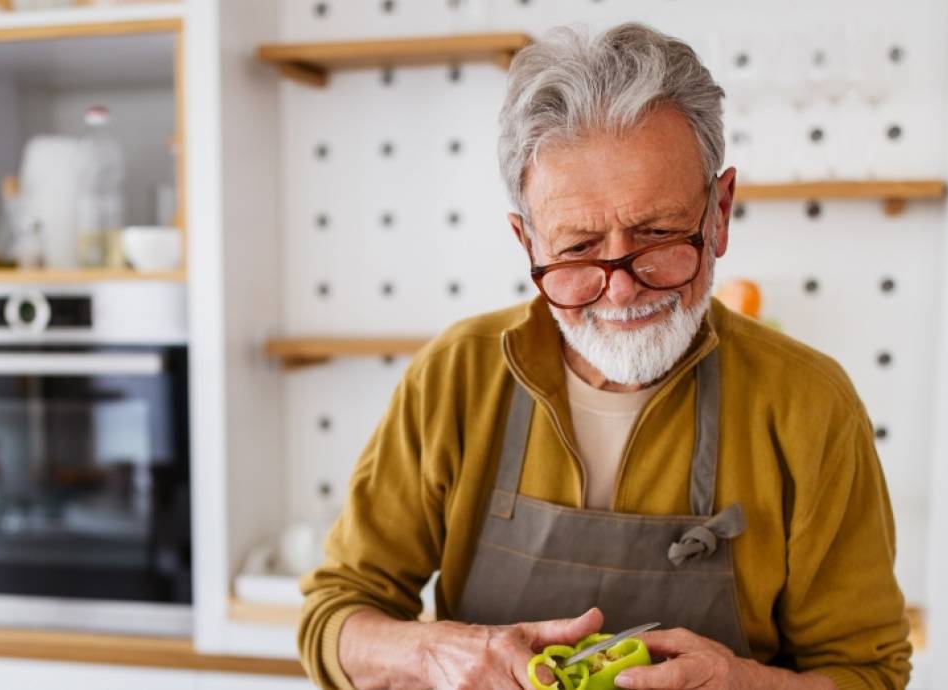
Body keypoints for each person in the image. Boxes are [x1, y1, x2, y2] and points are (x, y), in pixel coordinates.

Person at [298, 22, 912, 690]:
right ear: (526, 241)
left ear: (721, 213)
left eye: (656, 235)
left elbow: (868, 672)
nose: (621, 289)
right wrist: (436, 654)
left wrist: (747, 684)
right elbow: (333, 617)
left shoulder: (808, 404)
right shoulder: (455, 376)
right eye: (578, 249)